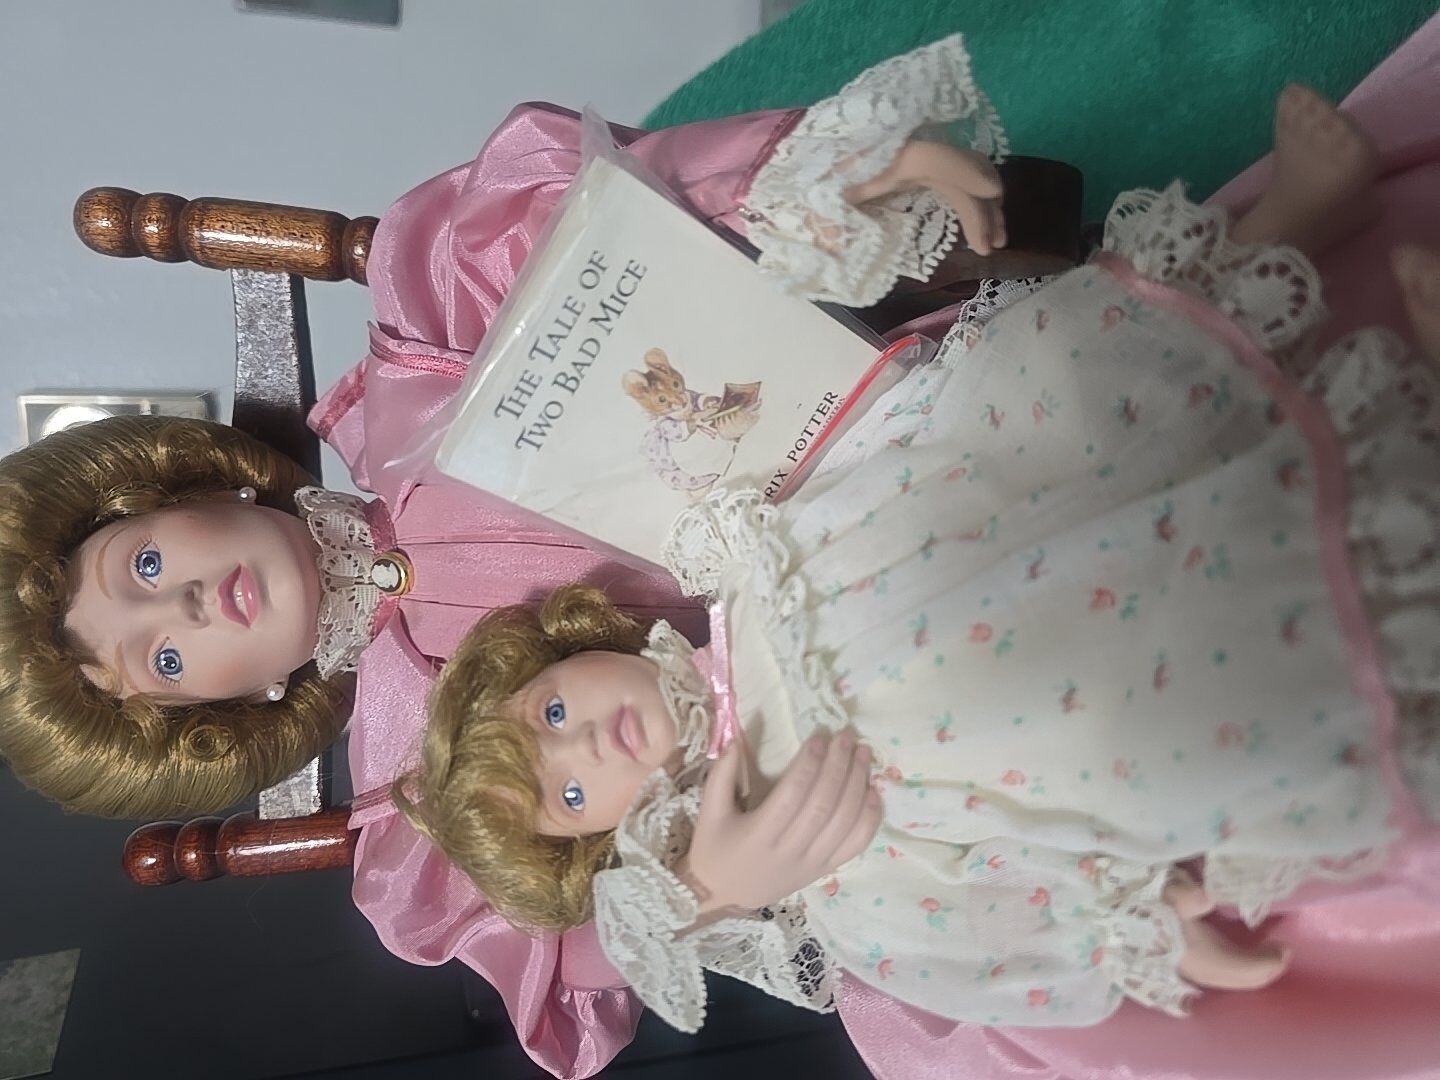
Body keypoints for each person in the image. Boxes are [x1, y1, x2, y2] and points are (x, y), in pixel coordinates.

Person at [0, 35, 1010, 1078]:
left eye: (145, 568)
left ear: (180, 492)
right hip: (888, 728)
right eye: (164, 660)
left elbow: (557, 210)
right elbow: (567, 985)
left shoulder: (423, 368)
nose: (187, 606)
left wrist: (803, 179)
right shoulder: (418, 803)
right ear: (222, 716)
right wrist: (697, 890)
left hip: (921, 456)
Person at [397, 69, 1440, 1049]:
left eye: (550, 713)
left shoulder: (731, 566)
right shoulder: (783, 842)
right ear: (609, 844)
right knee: (1146, 711)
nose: (585, 745)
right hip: (1033, 707)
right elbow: (935, 923)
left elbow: (859, 456)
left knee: (1075, 380)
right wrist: (1109, 917)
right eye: (572, 796)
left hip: (980, 512)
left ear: (565, 650)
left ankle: (1289, 227)